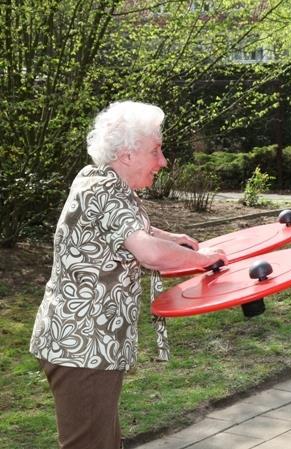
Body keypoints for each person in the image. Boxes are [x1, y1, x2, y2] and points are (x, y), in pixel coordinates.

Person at [29, 101, 226, 449]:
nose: (163, 161)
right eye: (155, 150)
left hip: (81, 345)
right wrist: (204, 258)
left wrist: (172, 238)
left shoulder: (98, 180)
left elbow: (128, 229)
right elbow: (147, 252)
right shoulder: (106, 192)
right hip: (83, 348)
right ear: (126, 154)